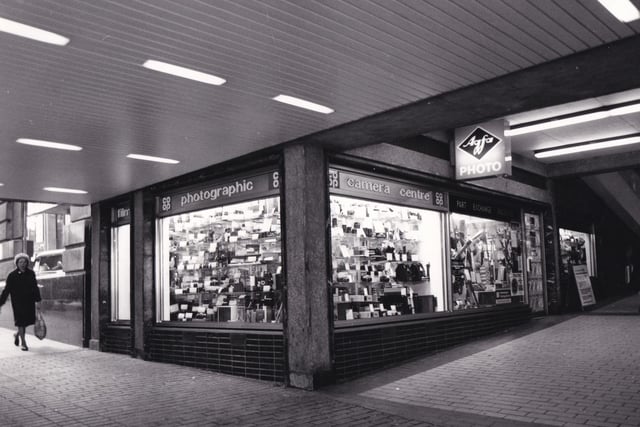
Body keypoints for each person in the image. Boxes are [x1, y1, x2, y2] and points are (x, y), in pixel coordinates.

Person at [0, 253, 42, 351]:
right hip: (18, 303)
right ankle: (23, 343)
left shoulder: (31, 273)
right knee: (20, 322)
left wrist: (38, 300)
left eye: (24, 262)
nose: (22, 264)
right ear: (17, 263)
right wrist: (1, 302)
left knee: (26, 322)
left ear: (27, 263)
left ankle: (17, 334)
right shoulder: (12, 275)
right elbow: (6, 290)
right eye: (20, 262)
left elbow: (35, 287)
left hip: (29, 301)